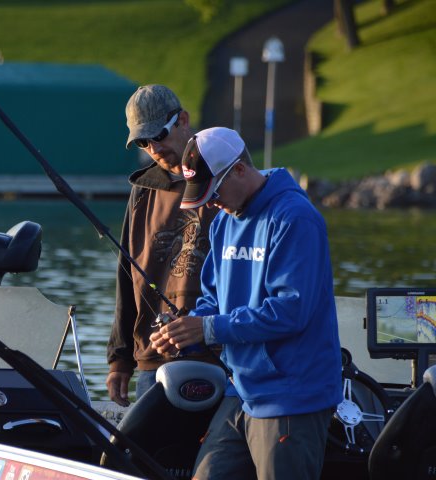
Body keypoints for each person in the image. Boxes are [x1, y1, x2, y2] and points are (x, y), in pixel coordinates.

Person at [150, 127, 343, 479]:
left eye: (214, 192)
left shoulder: (295, 218)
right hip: (240, 390)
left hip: (291, 395)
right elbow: (213, 299)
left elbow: (290, 311)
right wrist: (184, 331)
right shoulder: (224, 222)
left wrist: (207, 328)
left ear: (239, 169)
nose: (210, 203)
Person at [105, 85, 220, 407]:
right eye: (143, 142)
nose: (153, 148)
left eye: (158, 135)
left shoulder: (225, 179)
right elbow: (126, 276)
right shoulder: (142, 191)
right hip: (152, 360)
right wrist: (120, 358)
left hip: (221, 358)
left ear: (183, 120)